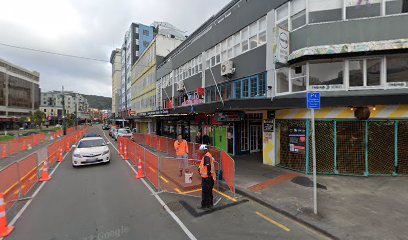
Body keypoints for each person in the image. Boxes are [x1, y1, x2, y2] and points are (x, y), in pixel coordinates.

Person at [198, 144, 216, 209]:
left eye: (201, 150)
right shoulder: (207, 155)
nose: (200, 151)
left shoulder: (206, 157)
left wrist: (208, 175)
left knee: (206, 192)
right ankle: (208, 204)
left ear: (204, 150)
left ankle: (206, 205)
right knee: (208, 191)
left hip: (207, 178)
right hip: (208, 177)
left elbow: (208, 165)